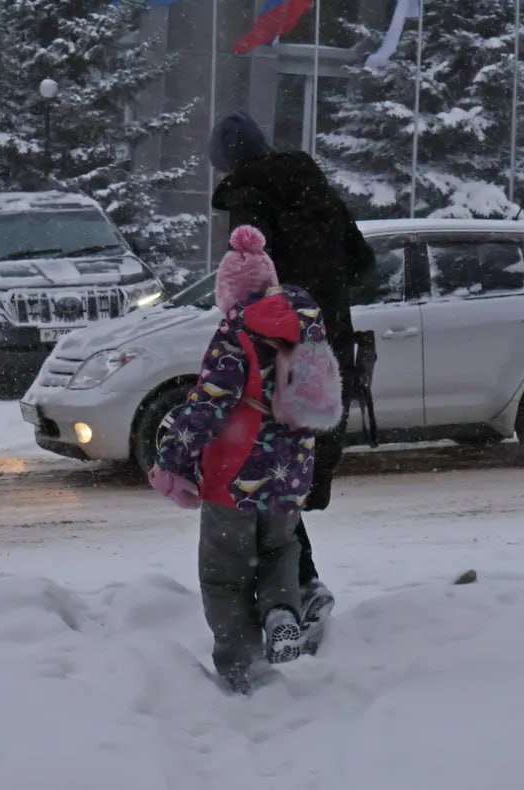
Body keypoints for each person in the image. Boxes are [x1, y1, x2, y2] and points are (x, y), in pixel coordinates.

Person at [148, 225, 342, 694]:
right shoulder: (307, 319)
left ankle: (242, 670)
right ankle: (280, 613)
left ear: (229, 290)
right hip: (292, 469)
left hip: (234, 473)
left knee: (224, 573)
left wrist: (172, 457)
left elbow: (209, 404)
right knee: (280, 550)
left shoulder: (236, 332)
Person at [208, 110, 376, 649]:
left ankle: (297, 592)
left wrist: (278, 314)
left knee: (262, 471)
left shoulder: (249, 198)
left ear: (227, 164)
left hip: (277, 355)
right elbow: (362, 261)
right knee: (292, 473)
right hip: (328, 353)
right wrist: (319, 300)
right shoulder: (313, 187)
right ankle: (295, 590)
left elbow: (252, 281)